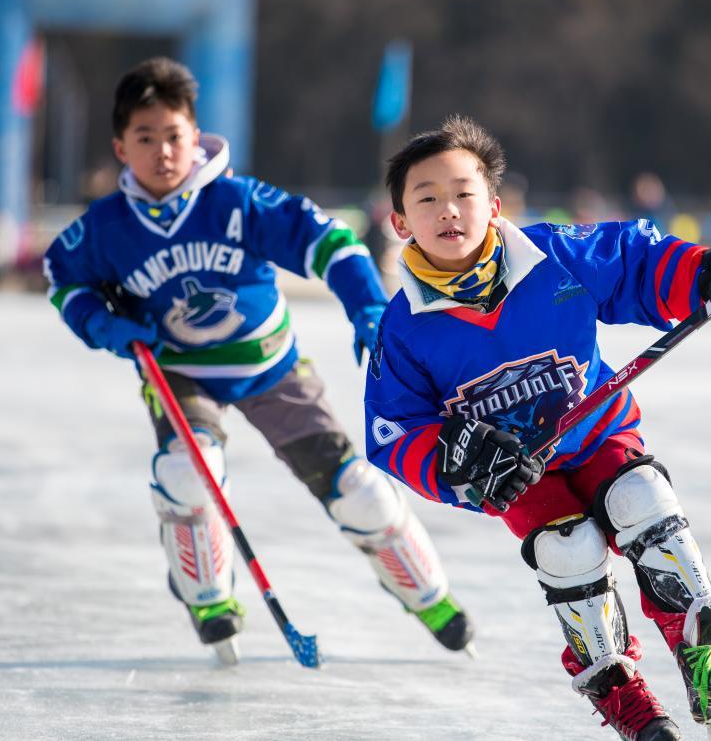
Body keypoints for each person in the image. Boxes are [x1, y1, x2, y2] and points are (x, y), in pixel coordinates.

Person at [364, 115, 711, 740]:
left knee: (641, 500)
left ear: (495, 203)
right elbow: (392, 431)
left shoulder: (555, 255)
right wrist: (455, 457)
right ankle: (623, 696)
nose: (448, 210)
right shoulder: (403, 327)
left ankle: (708, 656)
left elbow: (637, 264)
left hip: (597, 435)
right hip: (518, 475)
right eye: (426, 199)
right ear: (400, 221)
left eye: (463, 193)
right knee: (569, 552)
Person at [41, 58, 474, 665]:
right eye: (146, 139)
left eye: (174, 136)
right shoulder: (107, 228)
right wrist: (100, 322)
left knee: (358, 490)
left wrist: (368, 309)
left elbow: (333, 244)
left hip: (270, 365)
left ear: (196, 137)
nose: (163, 152)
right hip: (178, 371)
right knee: (189, 473)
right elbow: (64, 277)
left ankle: (429, 595)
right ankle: (208, 596)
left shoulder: (238, 202)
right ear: (121, 147)